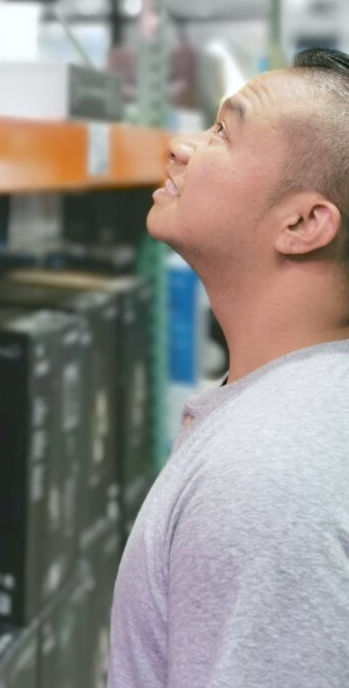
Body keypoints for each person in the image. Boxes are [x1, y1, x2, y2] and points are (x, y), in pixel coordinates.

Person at [109, 48, 349, 688]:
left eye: (222, 132)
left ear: (302, 223)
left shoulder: (269, 481)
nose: (182, 147)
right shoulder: (297, 412)